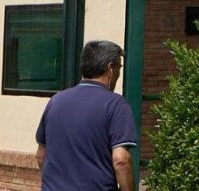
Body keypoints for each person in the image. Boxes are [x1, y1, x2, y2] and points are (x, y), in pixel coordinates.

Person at [36, 40, 138, 191]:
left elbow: (41, 155)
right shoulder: (116, 105)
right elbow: (121, 160)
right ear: (110, 69)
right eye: (119, 68)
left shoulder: (56, 101)